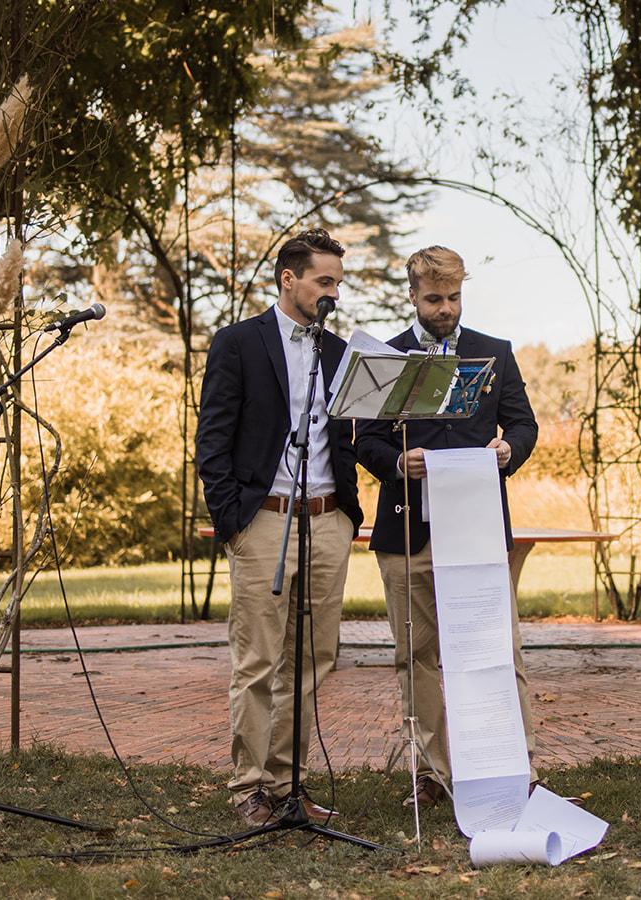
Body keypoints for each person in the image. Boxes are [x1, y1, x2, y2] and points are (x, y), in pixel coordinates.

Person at [354, 245, 540, 809]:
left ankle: (516, 766)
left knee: (500, 653)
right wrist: (393, 463)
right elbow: (363, 439)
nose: (446, 309)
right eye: (434, 298)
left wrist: (510, 448)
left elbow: (525, 425)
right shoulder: (384, 358)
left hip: (478, 528)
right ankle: (434, 775)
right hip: (407, 530)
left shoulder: (494, 353)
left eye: (454, 297)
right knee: (418, 656)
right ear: (412, 295)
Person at [194, 228, 364, 827]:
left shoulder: (343, 354)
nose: (332, 293)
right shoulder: (239, 343)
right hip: (263, 520)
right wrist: (232, 523)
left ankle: (290, 784)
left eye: (337, 282)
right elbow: (212, 441)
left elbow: (355, 437)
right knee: (259, 660)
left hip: (328, 520)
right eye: (324, 281)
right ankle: (249, 786)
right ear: (288, 279)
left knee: (312, 660)